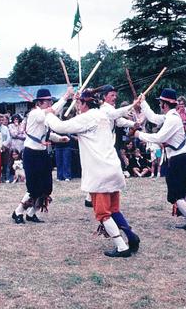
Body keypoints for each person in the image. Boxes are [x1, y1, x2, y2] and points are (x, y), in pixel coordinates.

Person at [45, 90, 140, 257]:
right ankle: (132, 237)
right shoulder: (103, 115)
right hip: (112, 167)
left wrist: (50, 114)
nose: (78, 107)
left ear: (84, 104)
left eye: (79, 104)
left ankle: (122, 247)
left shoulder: (86, 117)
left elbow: (60, 127)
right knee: (114, 210)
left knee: (103, 214)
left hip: (100, 171)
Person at [134, 88, 186, 231]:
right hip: (182, 158)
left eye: (160, 103)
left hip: (179, 159)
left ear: (164, 104)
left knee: (174, 195)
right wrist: (143, 102)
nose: (159, 105)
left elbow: (159, 138)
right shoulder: (171, 116)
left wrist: (139, 135)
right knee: (182, 191)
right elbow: (152, 118)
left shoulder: (172, 119)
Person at [11, 87, 72, 224]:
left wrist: (60, 138)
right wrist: (66, 96)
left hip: (42, 153)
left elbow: (46, 134)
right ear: (39, 102)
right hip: (31, 153)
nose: (50, 103)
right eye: (47, 101)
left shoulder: (44, 116)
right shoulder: (35, 114)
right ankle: (18, 212)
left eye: (50, 101)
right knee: (33, 187)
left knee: (46, 188)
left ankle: (31, 213)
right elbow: (54, 110)